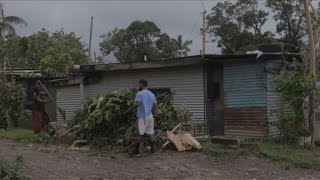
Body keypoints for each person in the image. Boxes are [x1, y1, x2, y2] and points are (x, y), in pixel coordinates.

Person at [129, 79, 157, 156]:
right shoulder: (152, 94)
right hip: (150, 116)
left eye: (139, 84)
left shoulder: (139, 93)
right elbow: (155, 106)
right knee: (151, 133)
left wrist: (129, 110)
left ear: (142, 84)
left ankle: (136, 152)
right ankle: (153, 150)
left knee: (139, 134)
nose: (138, 86)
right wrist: (154, 114)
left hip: (142, 117)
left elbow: (136, 104)